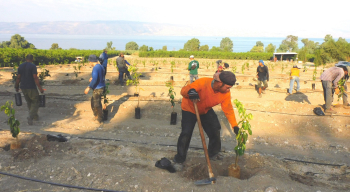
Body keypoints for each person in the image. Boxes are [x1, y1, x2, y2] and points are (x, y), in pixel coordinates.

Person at [173, 71, 240, 165]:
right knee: (186, 133)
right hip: (190, 108)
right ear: (220, 83)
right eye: (227, 87)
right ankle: (180, 158)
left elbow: (228, 109)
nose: (228, 90)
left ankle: (213, 153)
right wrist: (190, 92)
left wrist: (235, 126)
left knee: (215, 128)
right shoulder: (203, 82)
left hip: (205, 110)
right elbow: (183, 90)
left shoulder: (225, 93)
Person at [15, 54, 44, 125]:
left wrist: (16, 86)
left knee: (29, 102)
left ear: (26, 59)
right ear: (32, 59)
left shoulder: (21, 66)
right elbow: (35, 77)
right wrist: (40, 88)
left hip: (23, 87)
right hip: (31, 87)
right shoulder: (33, 66)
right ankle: (30, 117)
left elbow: (18, 77)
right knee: (35, 101)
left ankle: (35, 117)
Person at [84, 54, 106, 123]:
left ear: (91, 61)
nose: (89, 63)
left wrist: (89, 87)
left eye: (89, 62)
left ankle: (99, 119)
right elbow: (101, 76)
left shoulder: (95, 68)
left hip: (98, 88)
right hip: (102, 86)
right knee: (94, 102)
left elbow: (95, 79)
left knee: (96, 103)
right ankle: (97, 115)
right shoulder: (101, 66)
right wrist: (93, 78)